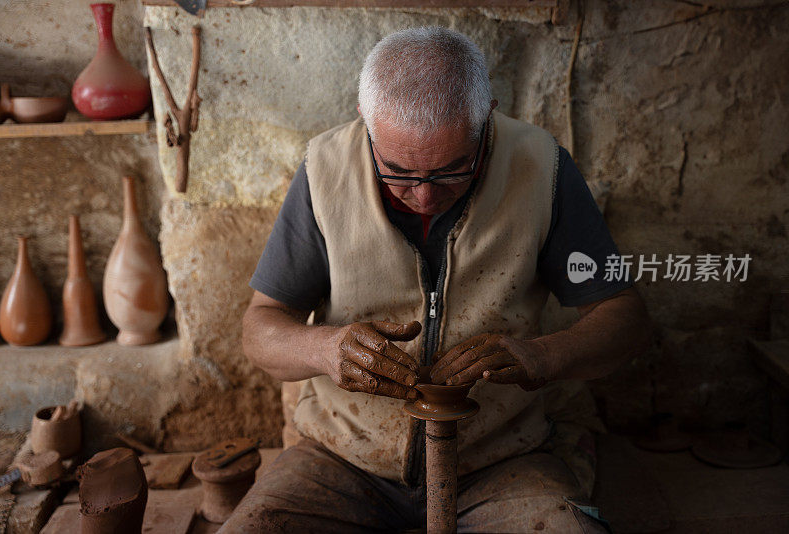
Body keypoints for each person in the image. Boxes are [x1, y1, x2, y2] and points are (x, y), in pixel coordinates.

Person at [225, 26, 651, 533]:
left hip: (499, 459)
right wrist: (325, 350)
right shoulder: (325, 170)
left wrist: (542, 356)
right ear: (367, 121)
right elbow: (260, 328)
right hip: (345, 457)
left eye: (452, 171)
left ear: (487, 115)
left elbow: (624, 317)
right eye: (399, 172)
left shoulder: (542, 166)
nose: (424, 197)